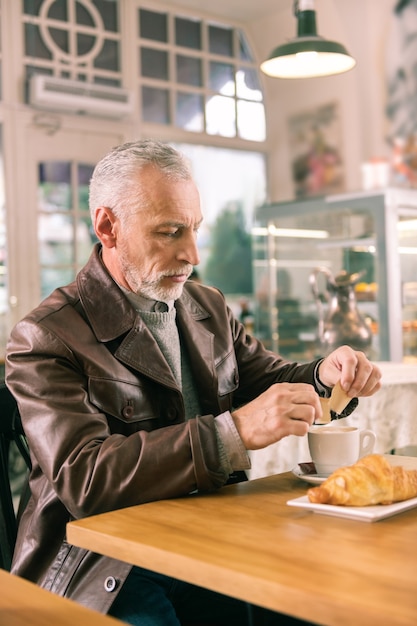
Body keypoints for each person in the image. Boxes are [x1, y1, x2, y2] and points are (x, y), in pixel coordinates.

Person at [5, 140, 381, 626]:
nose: (192, 253)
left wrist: (325, 374)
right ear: (107, 227)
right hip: (101, 567)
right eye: (169, 232)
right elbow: (86, 479)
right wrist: (233, 433)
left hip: (211, 538)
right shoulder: (45, 335)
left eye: (195, 229)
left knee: (337, 604)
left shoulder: (206, 306)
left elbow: (268, 381)